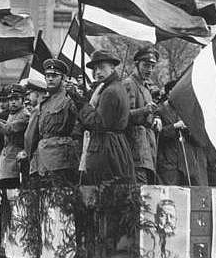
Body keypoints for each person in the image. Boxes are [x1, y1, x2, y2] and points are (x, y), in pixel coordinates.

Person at [72, 50, 135, 184]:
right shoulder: (113, 87)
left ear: (112, 68)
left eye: (101, 68)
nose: (97, 72)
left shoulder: (110, 91)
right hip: (115, 145)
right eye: (95, 69)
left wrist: (83, 105)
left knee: (104, 188)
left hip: (106, 148)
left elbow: (98, 123)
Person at [24, 59, 80, 187]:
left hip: (60, 160)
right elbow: (31, 136)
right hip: (41, 160)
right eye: (47, 76)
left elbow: (79, 126)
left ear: (64, 78)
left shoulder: (69, 99)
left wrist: (75, 95)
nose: (49, 79)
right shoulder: (44, 103)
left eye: (54, 76)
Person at [156, 82, 208, 186]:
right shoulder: (160, 110)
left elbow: (201, 138)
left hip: (188, 161)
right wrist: (174, 126)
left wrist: (188, 129)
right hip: (169, 159)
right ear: (168, 93)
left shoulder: (188, 110)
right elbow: (157, 134)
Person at [123, 46, 159, 184]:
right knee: (139, 185)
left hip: (147, 144)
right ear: (136, 64)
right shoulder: (129, 84)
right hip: (134, 145)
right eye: (145, 65)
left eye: (152, 66)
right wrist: (145, 110)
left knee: (148, 186)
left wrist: (155, 118)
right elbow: (123, 116)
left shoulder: (145, 87)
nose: (149, 70)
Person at [0, 85, 31, 188]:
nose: (13, 102)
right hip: (7, 159)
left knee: (14, 193)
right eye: (10, 99)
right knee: (5, 192)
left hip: (16, 160)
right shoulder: (13, 113)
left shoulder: (25, 115)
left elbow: (7, 129)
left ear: (23, 100)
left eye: (16, 99)